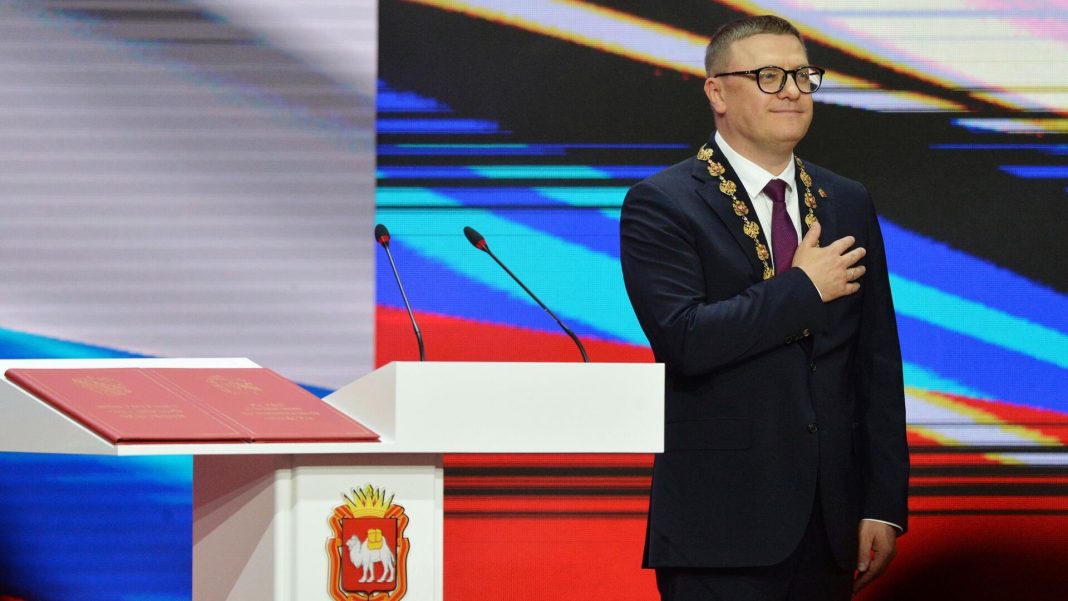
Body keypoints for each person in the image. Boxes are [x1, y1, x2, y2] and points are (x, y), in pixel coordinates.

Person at [619, 14, 909, 601]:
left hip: (831, 523)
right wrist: (802, 289)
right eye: (769, 76)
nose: (792, 92)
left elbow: (876, 359)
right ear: (717, 92)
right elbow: (685, 339)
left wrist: (882, 503)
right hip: (720, 526)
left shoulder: (846, 200)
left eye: (803, 76)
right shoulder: (663, 202)